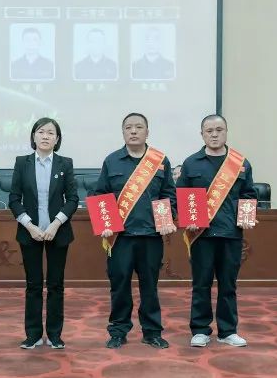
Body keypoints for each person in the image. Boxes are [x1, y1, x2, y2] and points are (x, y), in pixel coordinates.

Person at [91, 112, 176, 349]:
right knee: (119, 286)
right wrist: (105, 224)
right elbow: (100, 195)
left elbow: (169, 194)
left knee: (150, 286)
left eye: (139, 127)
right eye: (128, 127)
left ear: (147, 132)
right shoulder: (112, 161)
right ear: (123, 132)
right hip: (121, 238)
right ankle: (118, 331)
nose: (134, 131)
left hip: (151, 236)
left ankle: (152, 331)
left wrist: (168, 217)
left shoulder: (160, 161)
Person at [177, 114, 257, 348]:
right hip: (201, 235)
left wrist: (247, 216)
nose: (214, 135)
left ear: (226, 132)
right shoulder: (191, 163)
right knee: (201, 284)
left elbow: (249, 195)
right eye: (209, 131)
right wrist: (187, 219)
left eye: (219, 130)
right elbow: (182, 196)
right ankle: (200, 330)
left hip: (231, 234)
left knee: (228, 285)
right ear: (202, 134)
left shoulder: (240, 163)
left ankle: (228, 331)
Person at [9, 118, 79, 350]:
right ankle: (33, 335)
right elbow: (14, 199)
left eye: (51, 133)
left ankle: (55, 335)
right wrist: (30, 226)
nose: (45, 136)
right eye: (41, 132)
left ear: (57, 139)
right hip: (30, 232)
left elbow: (73, 199)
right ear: (33, 136)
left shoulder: (65, 163)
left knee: (56, 285)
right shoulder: (22, 162)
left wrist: (55, 224)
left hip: (57, 232)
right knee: (33, 285)